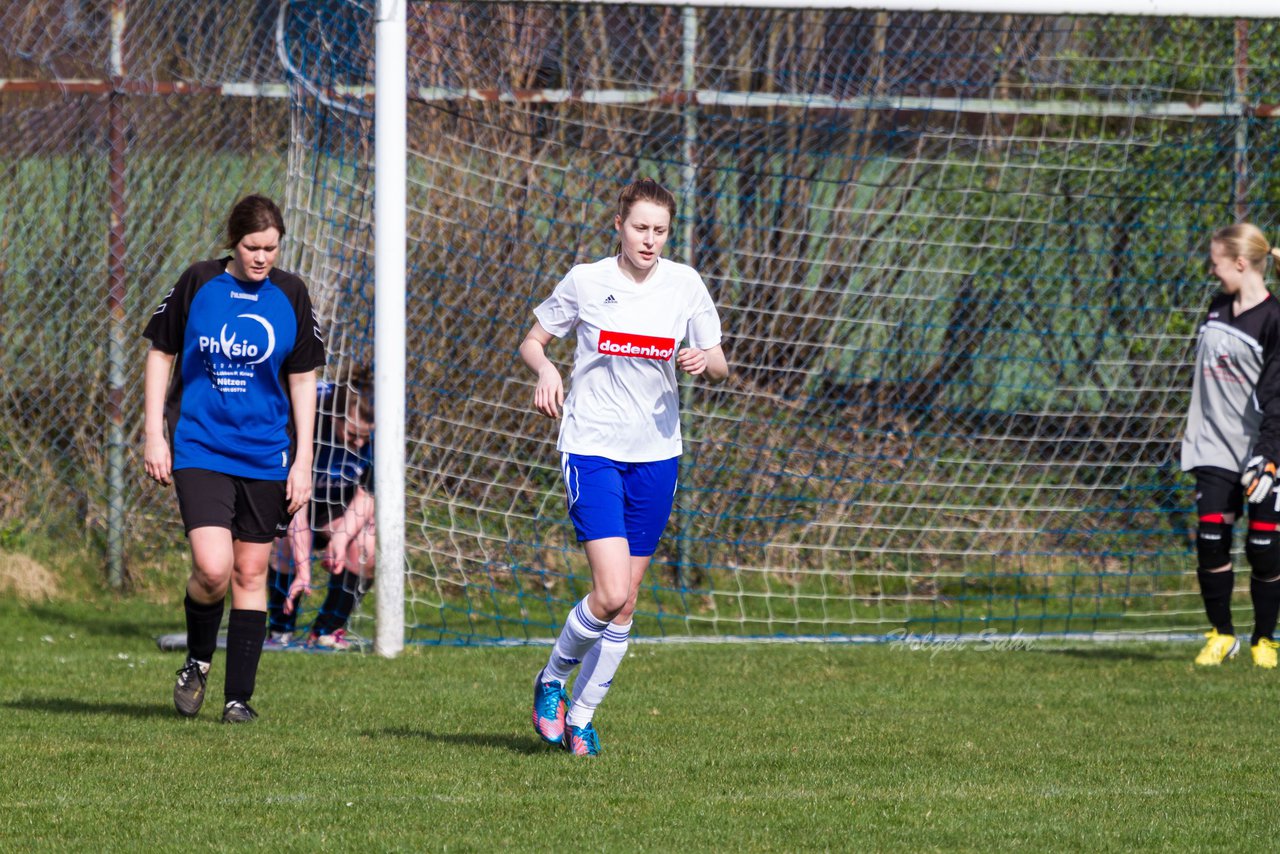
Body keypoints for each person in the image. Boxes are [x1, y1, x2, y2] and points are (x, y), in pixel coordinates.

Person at [520, 177, 728, 755]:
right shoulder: (587, 280)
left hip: (657, 453)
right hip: (592, 446)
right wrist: (547, 370)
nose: (650, 240)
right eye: (641, 227)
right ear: (619, 224)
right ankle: (553, 681)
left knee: (627, 602)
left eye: (661, 230)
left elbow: (720, 365)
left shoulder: (685, 284)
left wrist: (701, 360)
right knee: (609, 591)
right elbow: (533, 341)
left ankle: (582, 715)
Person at [143, 194, 326, 722]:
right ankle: (197, 662)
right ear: (233, 240)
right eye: (252, 246)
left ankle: (237, 700)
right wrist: (154, 432)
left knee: (250, 572)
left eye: (271, 247)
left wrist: (303, 460)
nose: (262, 257)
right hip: (199, 446)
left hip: (267, 454)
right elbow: (161, 351)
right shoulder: (199, 282)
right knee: (213, 568)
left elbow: (302, 378)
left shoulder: (291, 294)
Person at [1182, 222, 1280, 668]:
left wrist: (1270, 456)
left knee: (1263, 549)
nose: (1211, 270)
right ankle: (1222, 635)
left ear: (1240, 264)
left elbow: (1277, 396)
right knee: (1209, 539)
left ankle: (1264, 639)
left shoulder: (1274, 319)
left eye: (1217, 262)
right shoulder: (1217, 307)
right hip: (1214, 449)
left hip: (1262, 450)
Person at [266, 365, 375, 651]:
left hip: (339, 506)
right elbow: (295, 505)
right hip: (294, 498)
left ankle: (327, 630)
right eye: (352, 436)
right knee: (284, 544)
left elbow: (368, 494)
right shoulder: (306, 416)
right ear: (335, 416)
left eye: (365, 437)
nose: (359, 444)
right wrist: (304, 569)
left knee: (367, 546)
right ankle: (279, 630)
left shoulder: (380, 433)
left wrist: (340, 540)